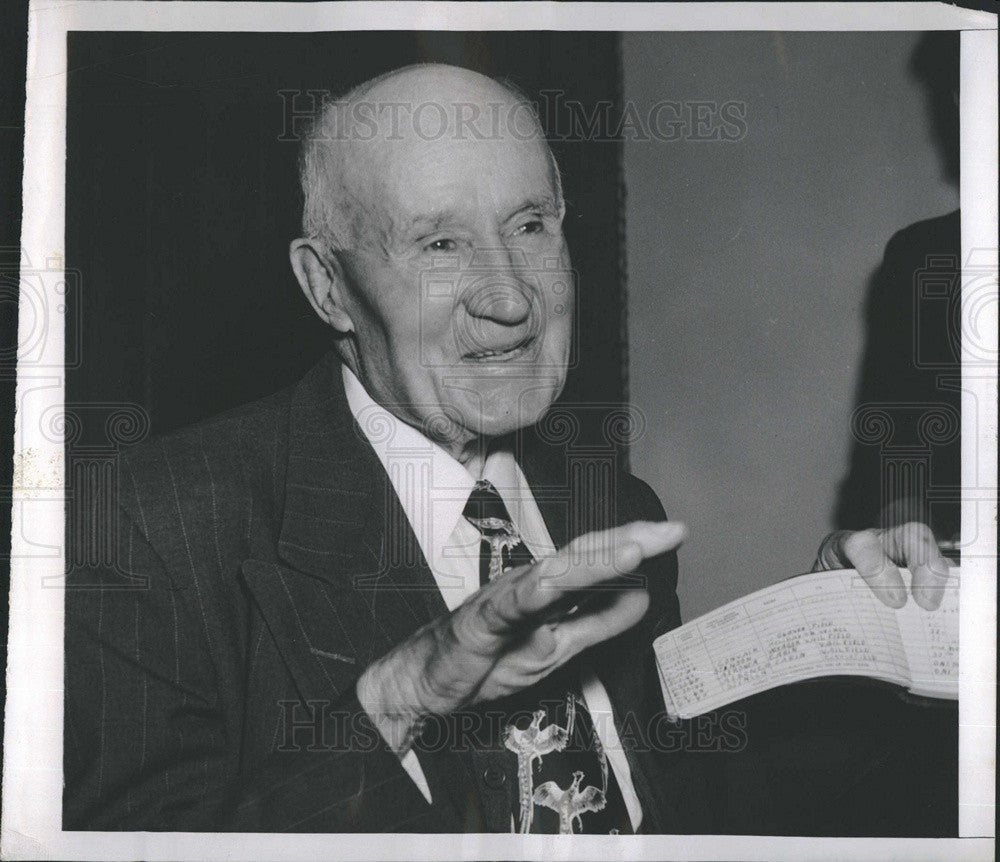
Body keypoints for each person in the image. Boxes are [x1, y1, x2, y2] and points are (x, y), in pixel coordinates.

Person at [64, 63, 953, 834]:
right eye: (440, 242)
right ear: (327, 286)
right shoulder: (154, 526)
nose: (509, 296)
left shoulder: (613, 508)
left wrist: (847, 632)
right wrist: (401, 698)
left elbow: (694, 807)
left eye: (530, 225)